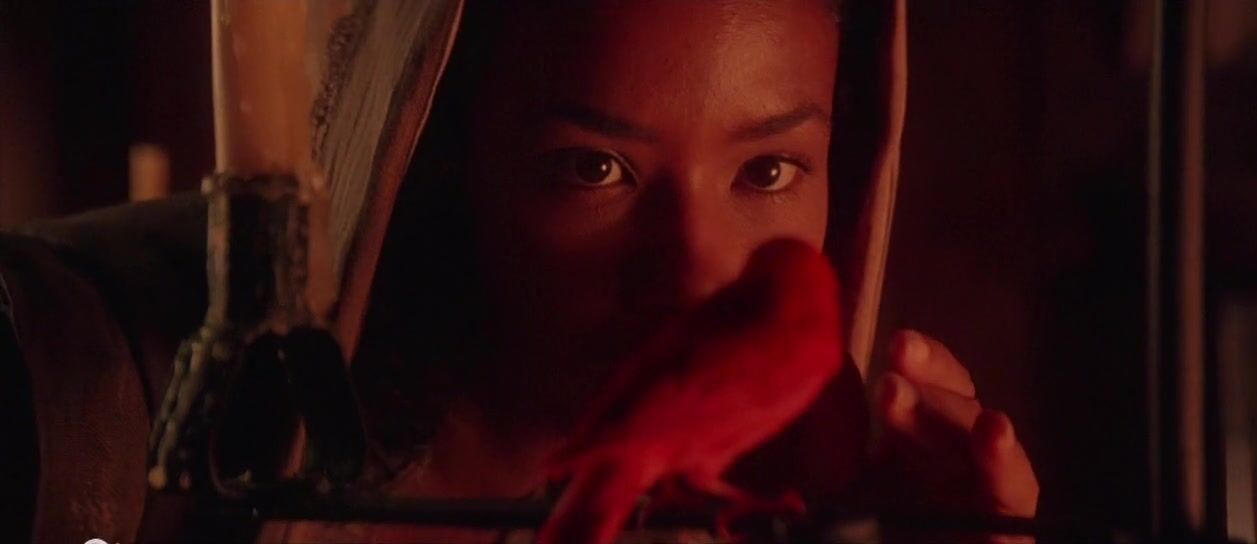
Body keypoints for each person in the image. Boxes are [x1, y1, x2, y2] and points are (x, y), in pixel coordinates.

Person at [1, 0, 1037, 542]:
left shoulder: (803, 502)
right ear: (437, 160)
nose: (692, 276)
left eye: (766, 171)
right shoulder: (103, 402)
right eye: (595, 168)